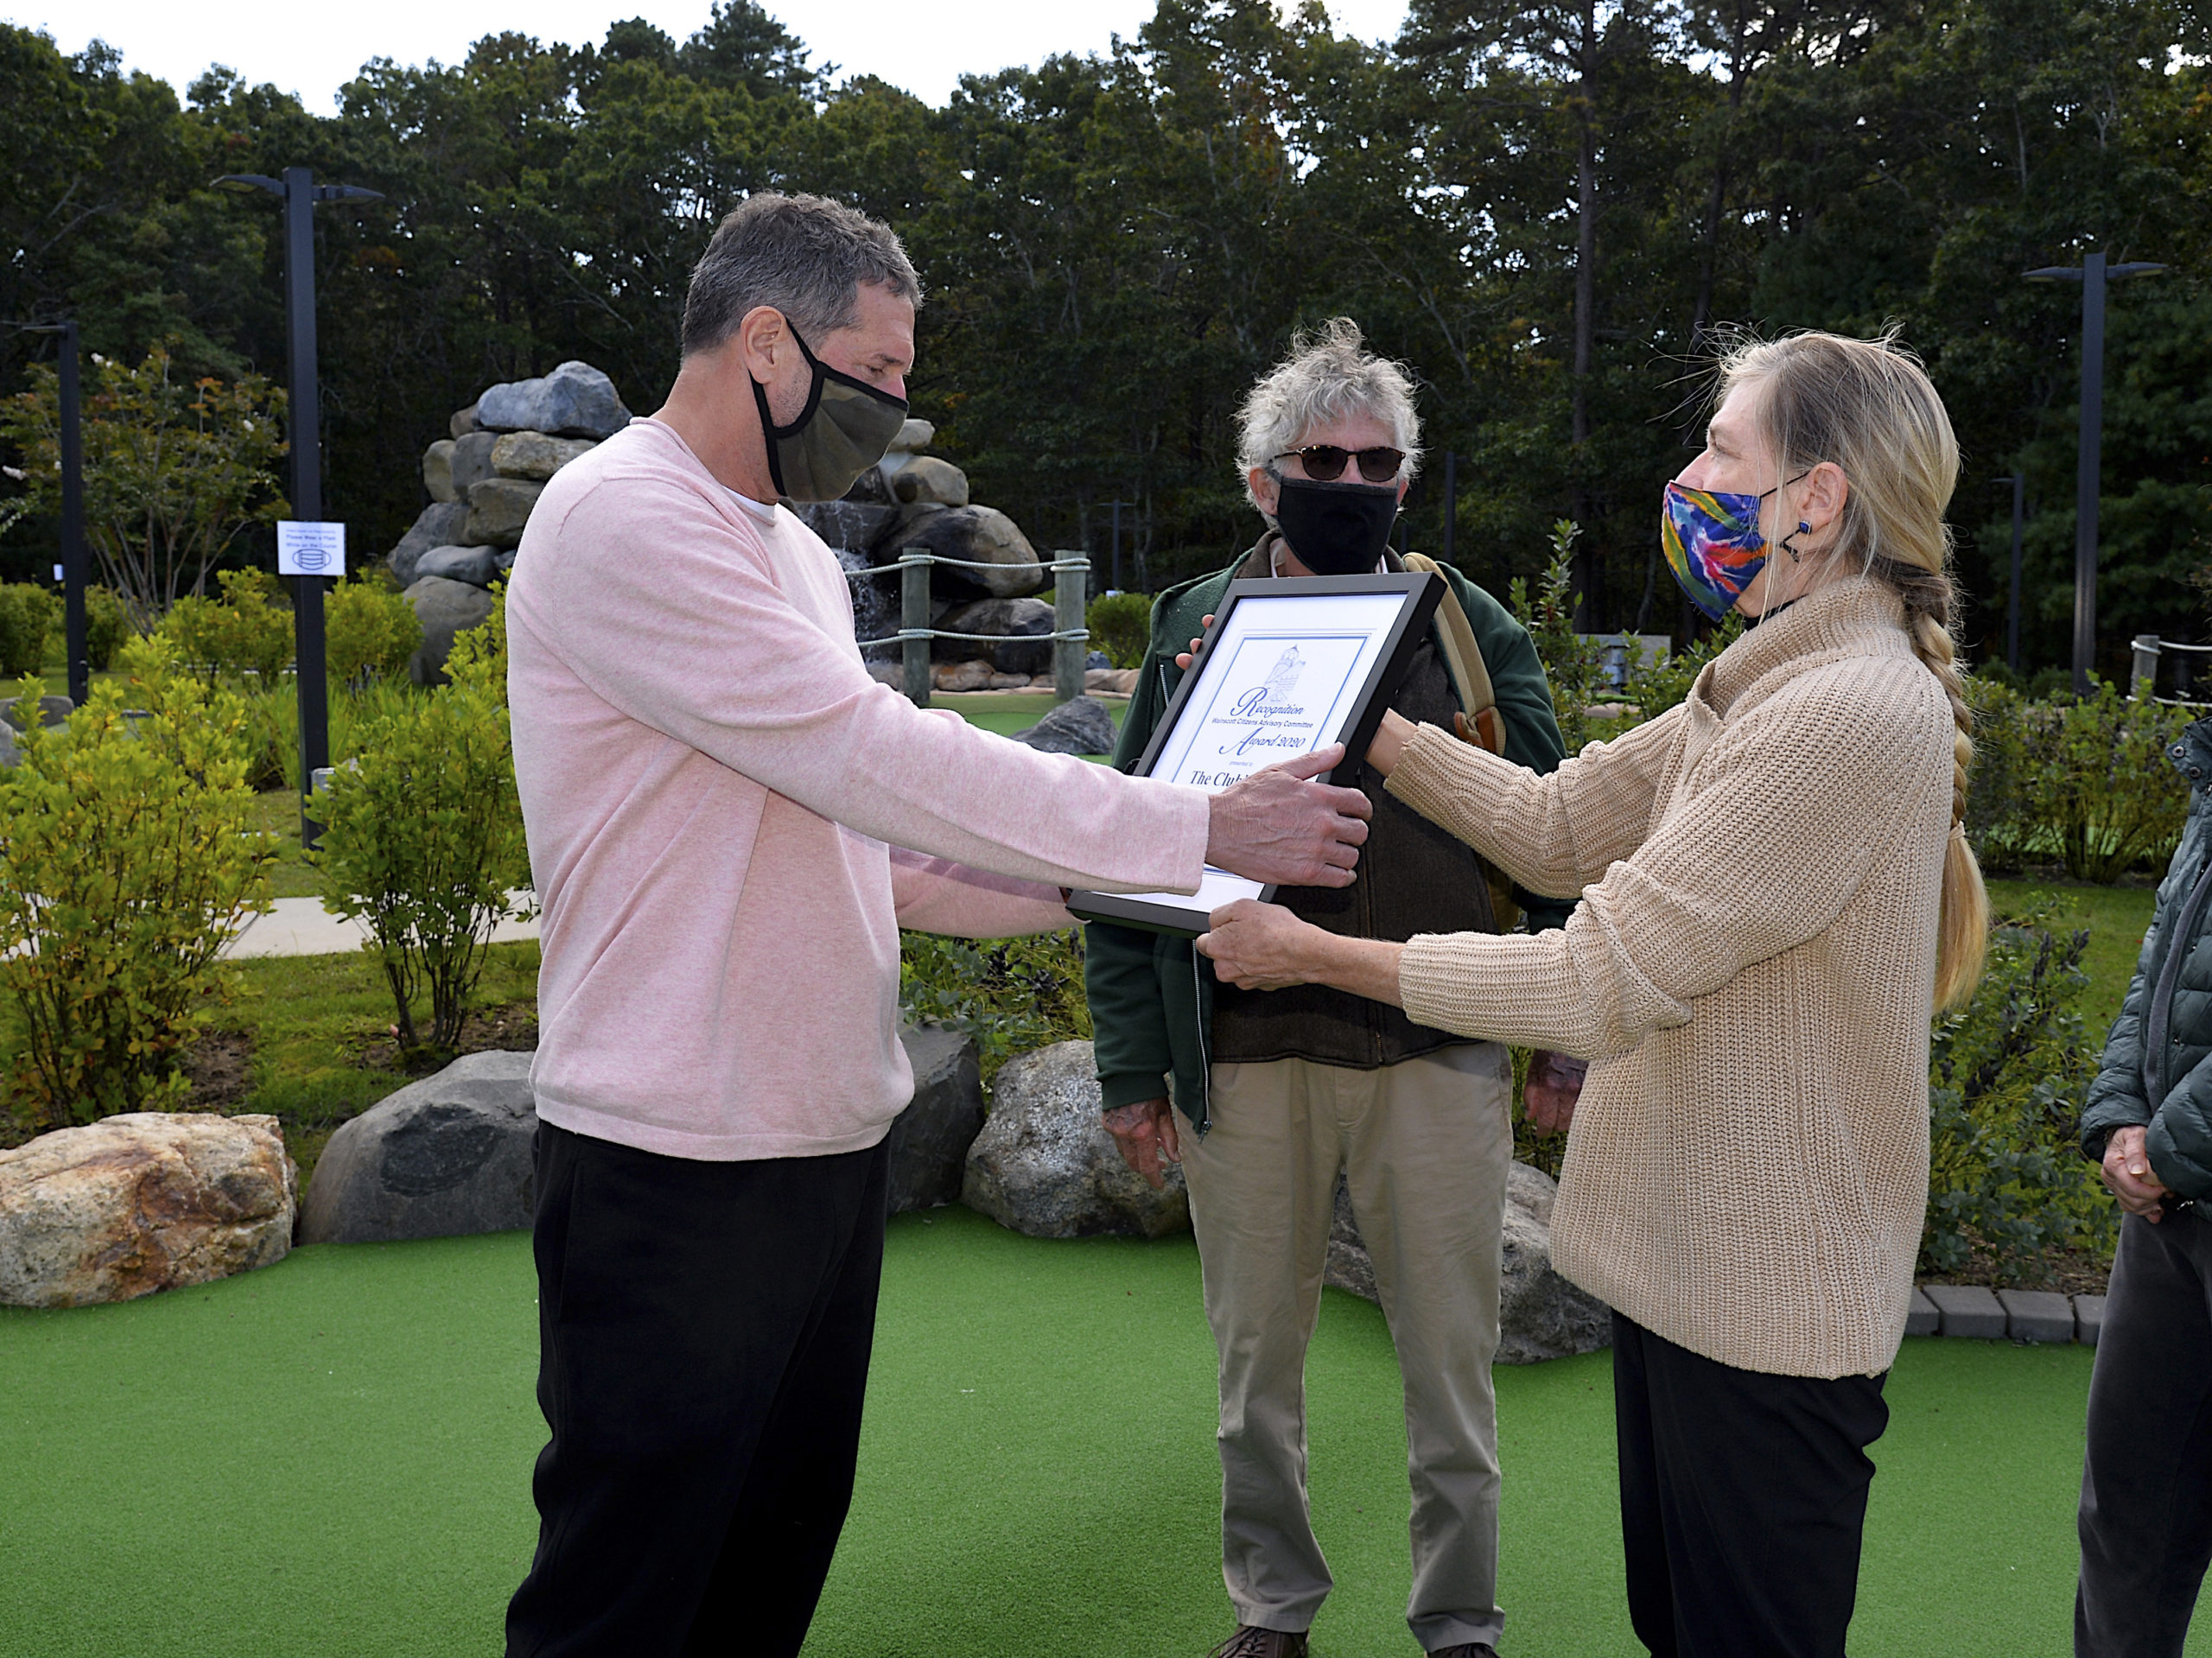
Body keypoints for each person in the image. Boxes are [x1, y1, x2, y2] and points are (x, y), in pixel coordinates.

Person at [499, 191, 1376, 1658]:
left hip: (820, 1148)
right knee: (626, 1593)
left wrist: (1138, 882)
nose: (898, 409)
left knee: (764, 1567)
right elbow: (876, 754)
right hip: (671, 1161)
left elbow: (869, 844)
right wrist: (1196, 823)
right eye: (884, 370)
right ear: (768, 342)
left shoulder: (784, 543)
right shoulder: (622, 517)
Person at [1194, 328, 1988, 1658]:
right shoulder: (1761, 680)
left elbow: (1597, 974)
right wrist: (1366, 713)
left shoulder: (1843, 709)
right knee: (1677, 1623)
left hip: (1769, 1308)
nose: (1688, 476)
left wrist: (1316, 952)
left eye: (1723, 449)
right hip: (1694, 1281)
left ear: (1817, 499)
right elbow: (1561, 827)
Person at [1084, 317, 1581, 1658]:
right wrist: (1134, 1066)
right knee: (1256, 1376)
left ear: (1405, 481)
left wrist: (1561, 1033)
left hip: (1437, 1046)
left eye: (1377, 464)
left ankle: (1460, 1619)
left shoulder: (1472, 625)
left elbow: (1554, 828)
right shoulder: (1199, 625)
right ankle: (1274, 1607)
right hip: (1245, 1053)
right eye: (1323, 460)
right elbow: (1130, 846)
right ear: (1265, 479)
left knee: (1452, 1373)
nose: (1350, 485)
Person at [2075, 720, 2212, 1656]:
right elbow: (2163, 953)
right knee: (2126, 1522)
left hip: (2182, 1167)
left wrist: (2169, 1143)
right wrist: (2122, 1113)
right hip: (2172, 1209)